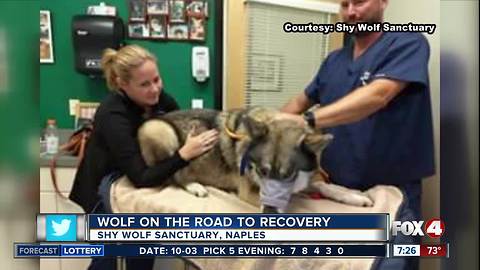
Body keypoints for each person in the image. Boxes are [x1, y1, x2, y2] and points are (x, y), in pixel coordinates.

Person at [277, 0, 435, 269]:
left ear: (384, 2)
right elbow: (299, 101)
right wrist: (267, 128)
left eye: (359, 2)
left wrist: (307, 120)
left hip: (394, 195)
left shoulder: (407, 43)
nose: (351, 12)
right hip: (339, 192)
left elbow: (378, 95)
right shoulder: (334, 61)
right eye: (344, 4)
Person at [69, 45, 219, 270]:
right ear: (122, 84)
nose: (155, 89)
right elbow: (141, 175)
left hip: (141, 185)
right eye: (144, 84)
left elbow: (178, 137)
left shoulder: (161, 101)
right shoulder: (112, 113)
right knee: (106, 259)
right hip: (103, 187)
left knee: (141, 256)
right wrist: (184, 155)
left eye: (157, 79)